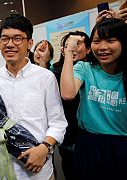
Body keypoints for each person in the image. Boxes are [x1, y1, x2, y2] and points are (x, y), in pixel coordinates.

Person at [0, 14, 67, 180]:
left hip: (39, 170)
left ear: (29, 43)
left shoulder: (45, 77)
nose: (10, 44)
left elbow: (58, 122)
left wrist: (44, 148)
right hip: (3, 168)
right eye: (5, 39)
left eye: (17, 38)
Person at [61, 18, 127, 179]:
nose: (103, 47)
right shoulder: (85, 68)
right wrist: (69, 52)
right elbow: (68, 93)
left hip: (122, 145)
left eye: (111, 41)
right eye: (97, 41)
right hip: (89, 144)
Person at [51, 31, 90, 180]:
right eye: (68, 45)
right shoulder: (56, 71)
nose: (72, 48)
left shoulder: (95, 70)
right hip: (68, 136)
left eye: (77, 44)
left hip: (90, 136)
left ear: (89, 49)